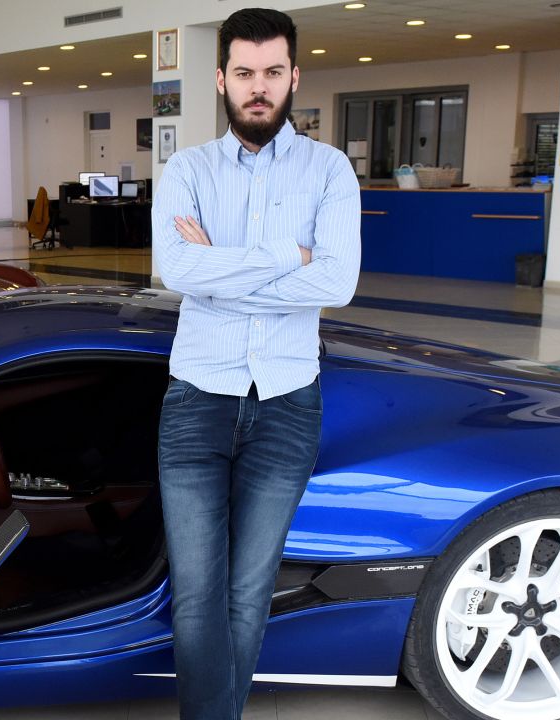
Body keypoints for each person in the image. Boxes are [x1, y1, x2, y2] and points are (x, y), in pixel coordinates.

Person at [150, 8, 362, 719]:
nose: (259, 87)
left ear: (295, 76)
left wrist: (222, 265)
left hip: (287, 405)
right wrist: (287, 258)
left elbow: (337, 284)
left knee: (248, 593)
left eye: (273, 72)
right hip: (196, 402)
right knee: (196, 599)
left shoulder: (329, 171)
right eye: (245, 73)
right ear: (221, 80)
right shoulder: (188, 168)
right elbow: (178, 268)